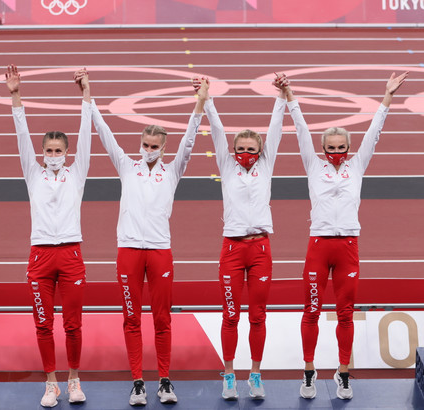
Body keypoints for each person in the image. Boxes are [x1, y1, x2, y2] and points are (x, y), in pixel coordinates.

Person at [283, 71, 408, 400]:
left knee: (345, 313)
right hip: (319, 246)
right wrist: (290, 94)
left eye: (341, 147)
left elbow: (374, 132)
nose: (336, 151)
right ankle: (308, 373)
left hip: (349, 247)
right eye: (331, 147)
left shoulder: (357, 164)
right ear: (322, 148)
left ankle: (343, 373)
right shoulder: (313, 164)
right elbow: (300, 130)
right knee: (310, 311)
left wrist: (387, 95)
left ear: (349, 149)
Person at [91, 78, 209, 406]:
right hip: (129, 250)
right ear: (140, 143)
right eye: (145, 144)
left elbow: (189, 140)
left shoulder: (173, 172)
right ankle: (138, 382)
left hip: (159, 251)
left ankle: (165, 380)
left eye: (154, 145)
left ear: (163, 148)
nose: (148, 150)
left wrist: (200, 102)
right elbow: (105, 136)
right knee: (131, 317)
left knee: (162, 318)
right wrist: (89, 97)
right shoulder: (127, 168)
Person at [6, 64, 93, 408]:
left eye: (59, 151)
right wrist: (16, 95)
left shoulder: (77, 173)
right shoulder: (33, 172)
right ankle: (50, 383)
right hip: (40, 257)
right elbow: (20, 133)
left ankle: (74, 380)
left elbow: (87, 133)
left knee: (73, 325)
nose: (54, 156)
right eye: (49, 151)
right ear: (42, 153)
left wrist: (86, 94)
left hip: (71, 255)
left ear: (68, 154)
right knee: (43, 324)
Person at [198, 74, 287, 400]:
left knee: (258, 316)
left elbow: (276, 131)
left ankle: (256, 374)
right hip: (232, 249)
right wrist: (207, 100)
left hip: (261, 248)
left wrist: (282, 97)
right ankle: (230, 374)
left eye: (251, 149)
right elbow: (218, 132)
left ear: (260, 151)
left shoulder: (266, 165)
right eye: (241, 149)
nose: (245, 153)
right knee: (231, 314)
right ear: (233, 150)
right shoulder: (227, 163)